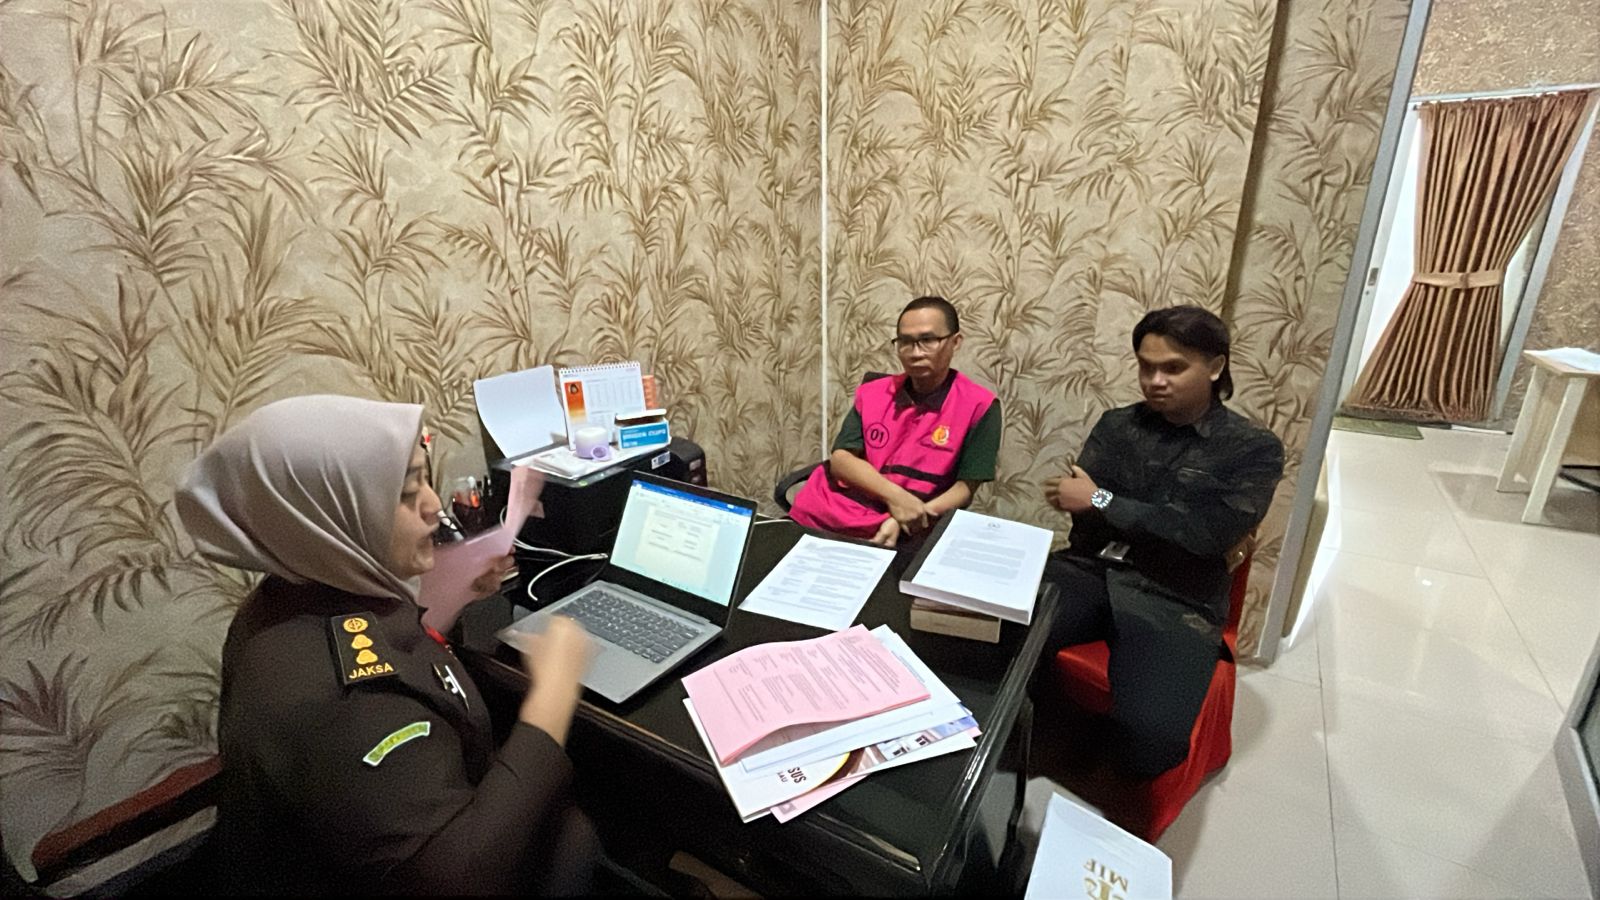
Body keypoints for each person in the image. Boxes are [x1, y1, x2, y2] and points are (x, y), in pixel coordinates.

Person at [176, 395, 597, 895]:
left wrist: (456, 588)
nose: (434, 505)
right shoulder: (350, 704)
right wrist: (554, 695)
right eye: (406, 493)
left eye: (423, 479)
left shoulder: (289, 597)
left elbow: (384, 642)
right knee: (575, 834)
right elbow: (461, 877)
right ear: (329, 513)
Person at [1038, 306, 1284, 790]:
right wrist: (1099, 506)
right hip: (1090, 569)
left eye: (1173, 368)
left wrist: (1104, 500)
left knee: (1151, 745)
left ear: (1215, 367)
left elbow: (1206, 537)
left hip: (1175, 595)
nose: (1155, 381)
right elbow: (1087, 517)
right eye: (1146, 367)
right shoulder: (1117, 426)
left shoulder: (1252, 448)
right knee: (982, 636)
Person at [789, 295, 1002, 548]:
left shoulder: (979, 405)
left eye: (928, 340)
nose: (915, 353)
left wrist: (908, 517)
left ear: (955, 342)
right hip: (827, 512)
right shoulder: (874, 392)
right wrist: (897, 498)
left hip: (905, 526)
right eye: (906, 342)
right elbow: (842, 459)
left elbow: (965, 489)